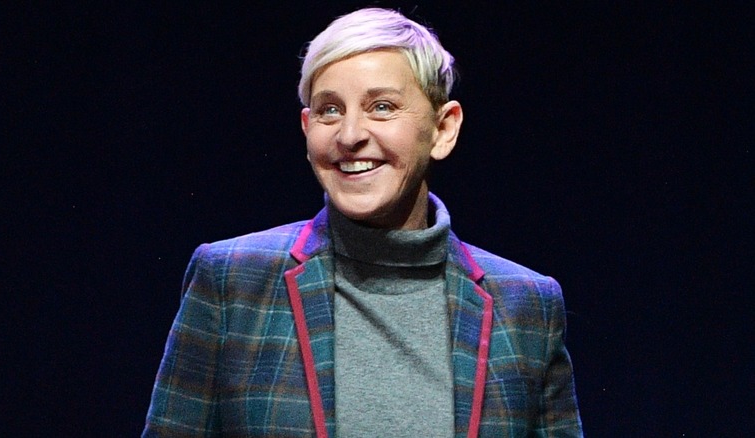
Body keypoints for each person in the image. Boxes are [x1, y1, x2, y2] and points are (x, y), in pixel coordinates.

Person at [143, 7, 583, 437]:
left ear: (443, 129)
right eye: (329, 110)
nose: (350, 134)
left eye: (382, 107)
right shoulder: (233, 281)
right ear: (306, 127)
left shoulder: (526, 305)